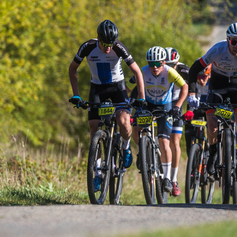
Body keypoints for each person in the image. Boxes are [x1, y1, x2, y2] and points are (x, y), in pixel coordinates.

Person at [68, 20, 146, 192]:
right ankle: (96, 172)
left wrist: (142, 97)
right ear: (98, 39)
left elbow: (137, 71)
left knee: (123, 120)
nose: (109, 48)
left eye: (111, 44)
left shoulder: (118, 47)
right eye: (105, 44)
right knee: (94, 127)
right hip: (97, 88)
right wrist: (76, 94)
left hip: (117, 87)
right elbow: (72, 69)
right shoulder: (88, 47)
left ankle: (125, 148)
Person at [187, 22, 237, 183]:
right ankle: (213, 153)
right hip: (218, 84)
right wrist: (192, 93)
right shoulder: (217, 50)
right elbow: (194, 69)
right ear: (227, 40)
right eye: (234, 41)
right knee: (211, 123)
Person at [132, 46, 188, 193]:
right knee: (136, 129)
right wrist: (132, 100)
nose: (155, 67)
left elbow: (185, 87)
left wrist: (178, 106)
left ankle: (167, 178)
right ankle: (141, 152)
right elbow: (134, 86)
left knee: (164, 140)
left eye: (158, 64)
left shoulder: (170, 72)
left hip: (165, 106)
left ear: (164, 62)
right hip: (148, 104)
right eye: (151, 64)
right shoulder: (143, 71)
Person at [164, 47, 189, 197]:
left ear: (177, 62)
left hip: (176, 104)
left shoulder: (184, 70)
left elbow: (191, 89)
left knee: (175, 142)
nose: (170, 67)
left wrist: (184, 107)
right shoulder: (158, 68)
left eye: (173, 64)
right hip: (161, 103)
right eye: (167, 63)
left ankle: (173, 179)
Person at [183, 64, 211, 156]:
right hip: (195, 108)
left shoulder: (213, 82)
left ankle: (211, 150)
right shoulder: (193, 82)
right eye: (199, 77)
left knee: (214, 128)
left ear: (209, 75)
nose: (201, 80)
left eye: (204, 77)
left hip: (209, 108)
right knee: (188, 132)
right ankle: (190, 156)